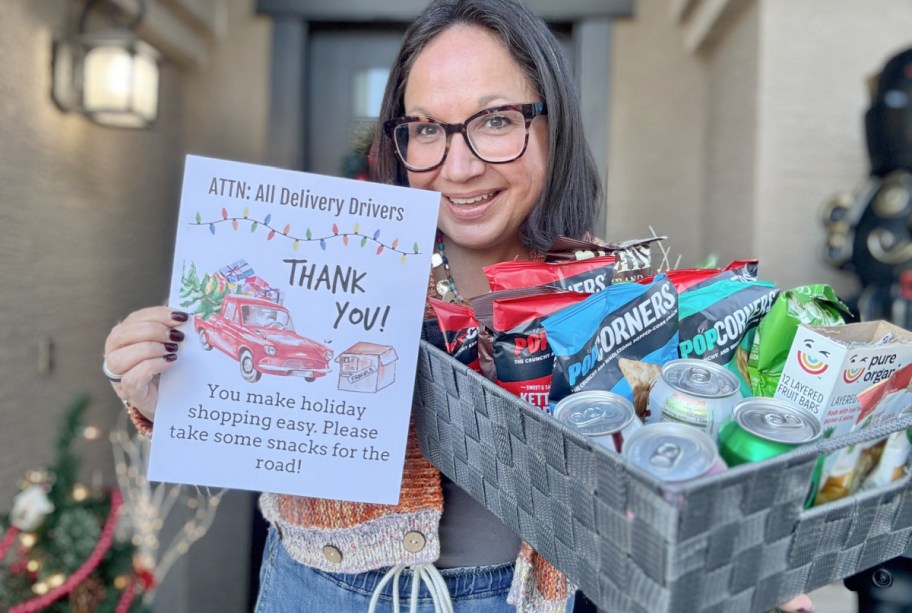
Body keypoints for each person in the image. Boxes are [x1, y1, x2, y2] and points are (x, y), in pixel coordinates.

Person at [101, 1, 815, 611]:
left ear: (551, 123)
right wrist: (175, 393)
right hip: (315, 586)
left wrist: (747, 562)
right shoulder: (329, 267)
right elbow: (261, 414)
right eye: (427, 128)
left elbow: (679, 463)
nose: (460, 163)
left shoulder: (619, 294)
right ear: (399, 139)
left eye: (496, 120)